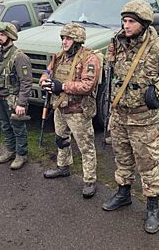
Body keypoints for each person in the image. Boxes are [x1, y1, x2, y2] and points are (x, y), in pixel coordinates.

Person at [101, 0, 159, 234]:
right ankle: (123, 193)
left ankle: (152, 206)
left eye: (131, 22)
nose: (126, 26)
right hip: (119, 116)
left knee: (148, 164)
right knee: (123, 158)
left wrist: (155, 97)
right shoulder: (116, 44)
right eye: (124, 21)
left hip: (144, 120)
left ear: (143, 24)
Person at [40, 23, 100, 198]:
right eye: (63, 38)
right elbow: (47, 71)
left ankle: (90, 180)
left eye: (68, 38)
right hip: (60, 107)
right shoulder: (59, 56)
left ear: (77, 40)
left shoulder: (89, 58)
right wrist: (44, 81)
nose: (64, 42)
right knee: (61, 140)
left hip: (79, 111)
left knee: (86, 147)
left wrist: (63, 86)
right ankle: (63, 166)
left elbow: (88, 85)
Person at [0, 22, 32, 170]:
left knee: (18, 127)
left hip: (12, 99)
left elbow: (26, 82)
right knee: (5, 125)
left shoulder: (19, 57)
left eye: (2, 35)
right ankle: (10, 150)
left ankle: (21, 154)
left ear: (10, 36)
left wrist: (21, 103)